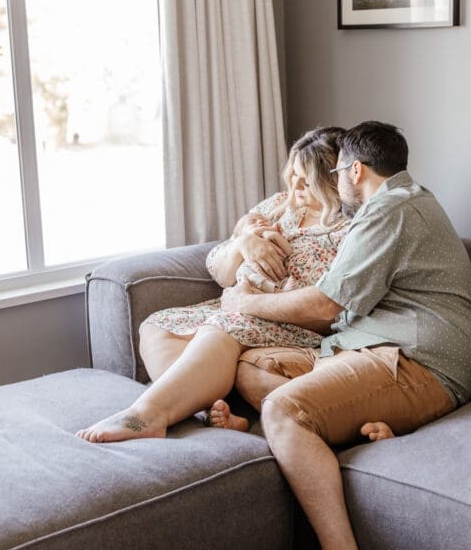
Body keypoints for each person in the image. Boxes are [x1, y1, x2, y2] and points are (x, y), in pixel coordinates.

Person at [218, 121, 471, 550]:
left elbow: (325, 303)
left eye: (338, 173)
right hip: (365, 346)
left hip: (416, 360)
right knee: (252, 365)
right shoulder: (397, 201)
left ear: (355, 170)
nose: (337, 185)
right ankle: (344, 429)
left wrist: (244, 303)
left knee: (282, 409)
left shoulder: (393, 211)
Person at [76, 127, 348, 443]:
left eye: (307, 180)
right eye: (294, 176)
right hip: (237, 304)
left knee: (223, 329)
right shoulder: (278, 206)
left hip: (289, 320)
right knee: (158, 326)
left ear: (331, 180)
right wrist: (244, 243)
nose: (296, 185)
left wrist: (250, 301)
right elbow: (220, 272)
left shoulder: (348, 227)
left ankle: (146, 415)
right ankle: (207, 410)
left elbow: (330, 305)